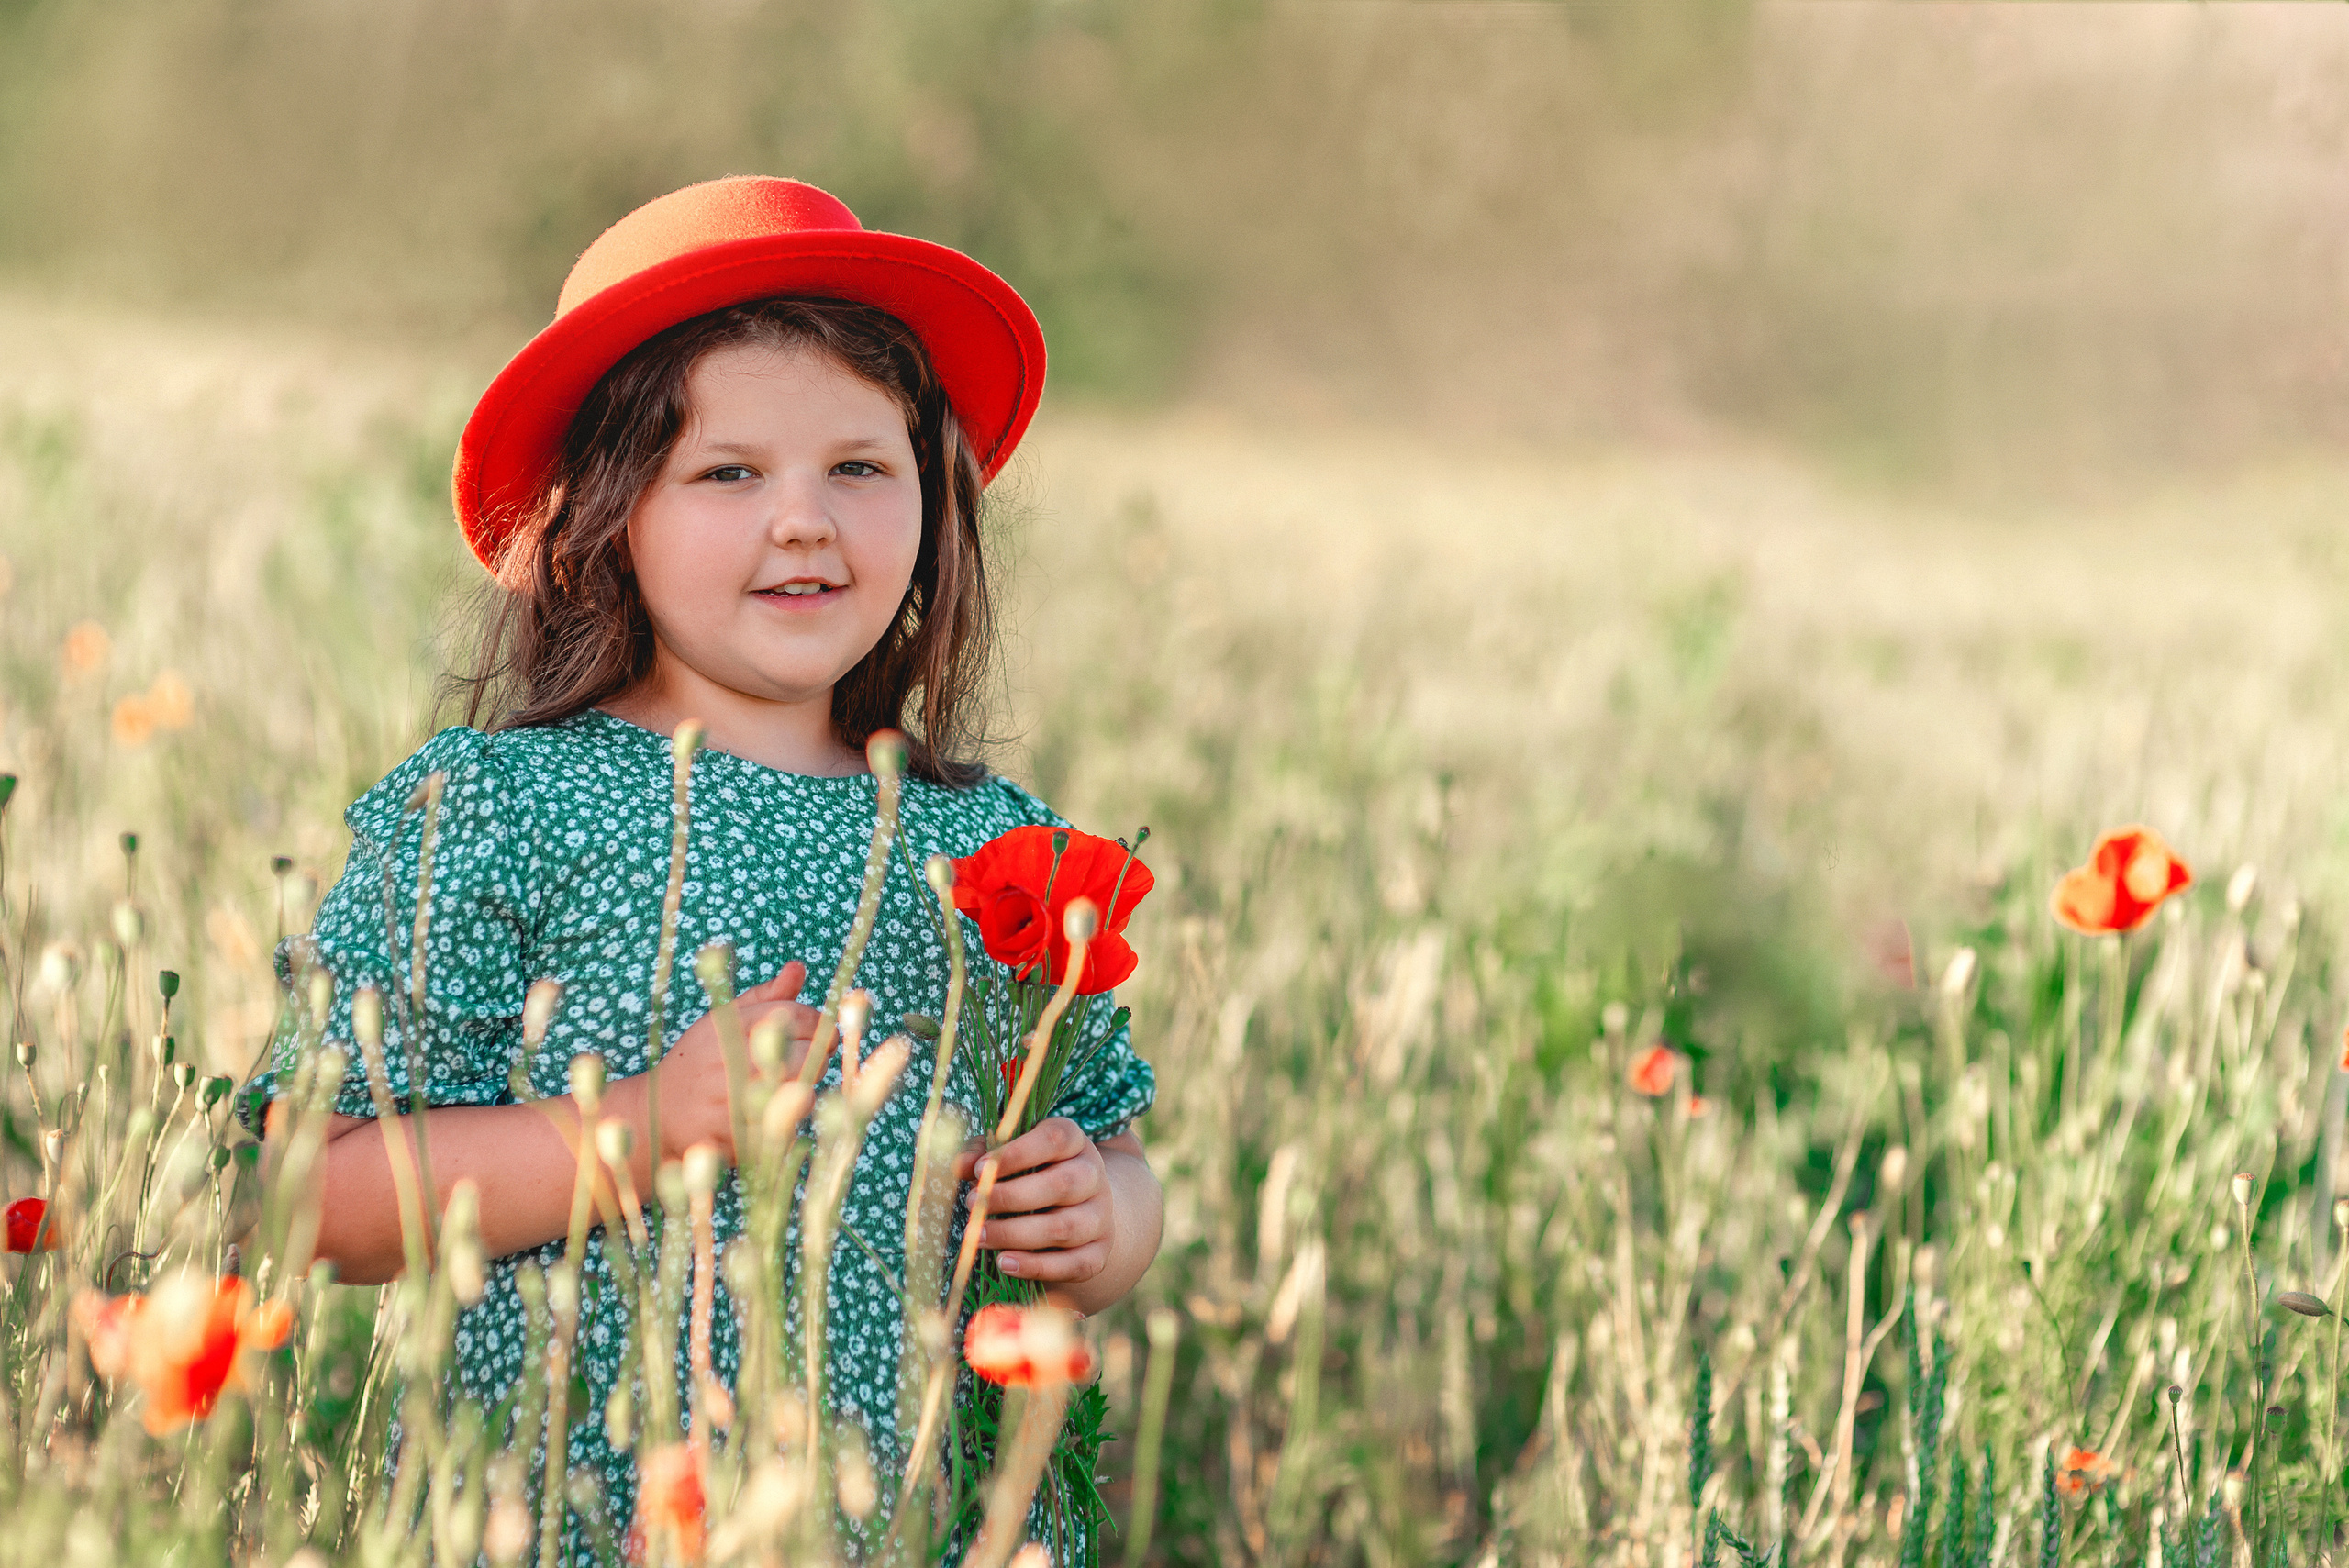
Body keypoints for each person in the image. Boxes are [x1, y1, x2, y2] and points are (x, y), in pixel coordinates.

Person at [251, 176, 1163, 1554]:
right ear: (603, 517)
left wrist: (1097, 1216)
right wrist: (644, 1126)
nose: (804, 520)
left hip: (915, 1519)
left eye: (860, 468)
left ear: (933, 500)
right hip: (574, 1517)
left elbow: (1114, 1147)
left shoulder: (996, 847)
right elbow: (312, 1197)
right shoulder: (498, 807)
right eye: (729, 473)